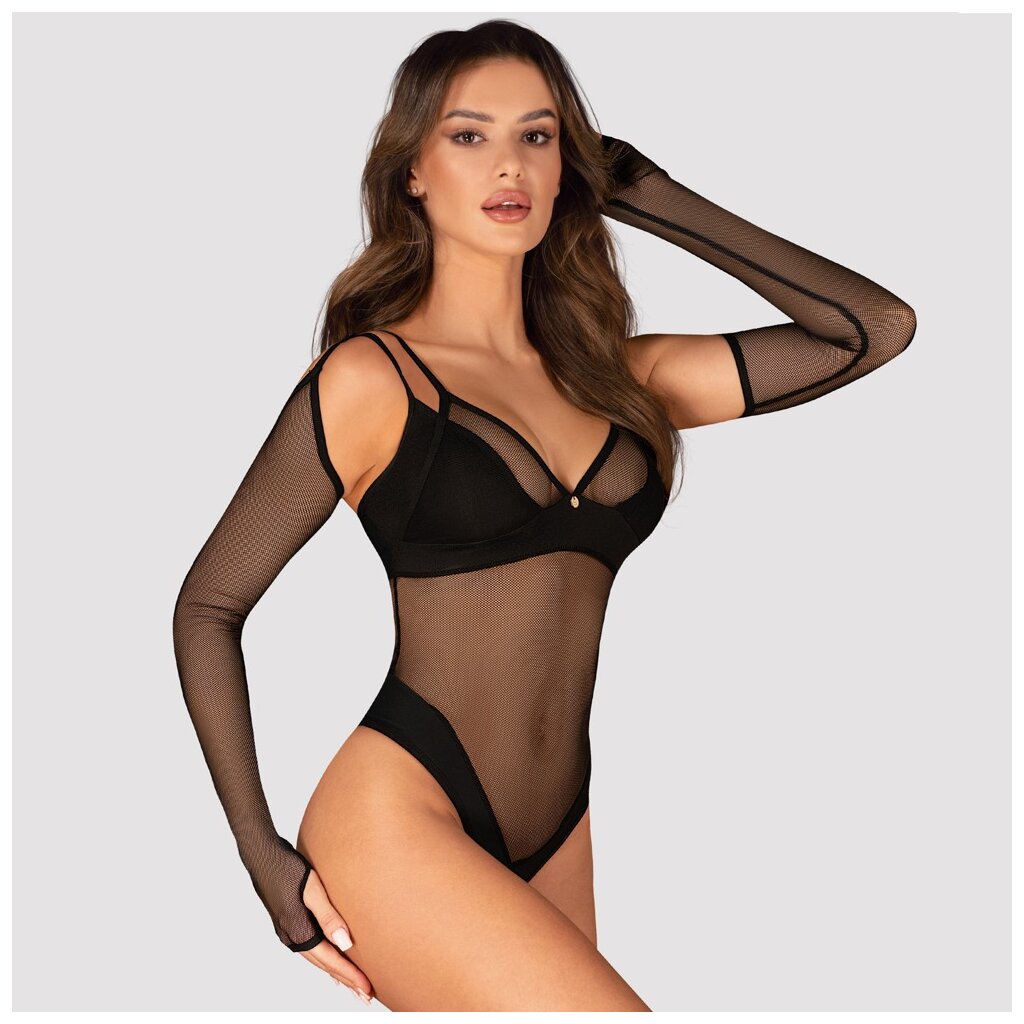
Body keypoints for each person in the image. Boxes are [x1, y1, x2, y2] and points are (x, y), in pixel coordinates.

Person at [171, 19, 916, 1012]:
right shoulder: (372, 380)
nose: (509, 163)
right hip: (400, 808)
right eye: (468, 135)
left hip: (559, 823)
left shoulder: (623, 380)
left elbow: (871, 330)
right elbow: (208, 607)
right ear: (413, 172)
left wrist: (649, 192)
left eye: (537, 135)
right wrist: (259, 855)